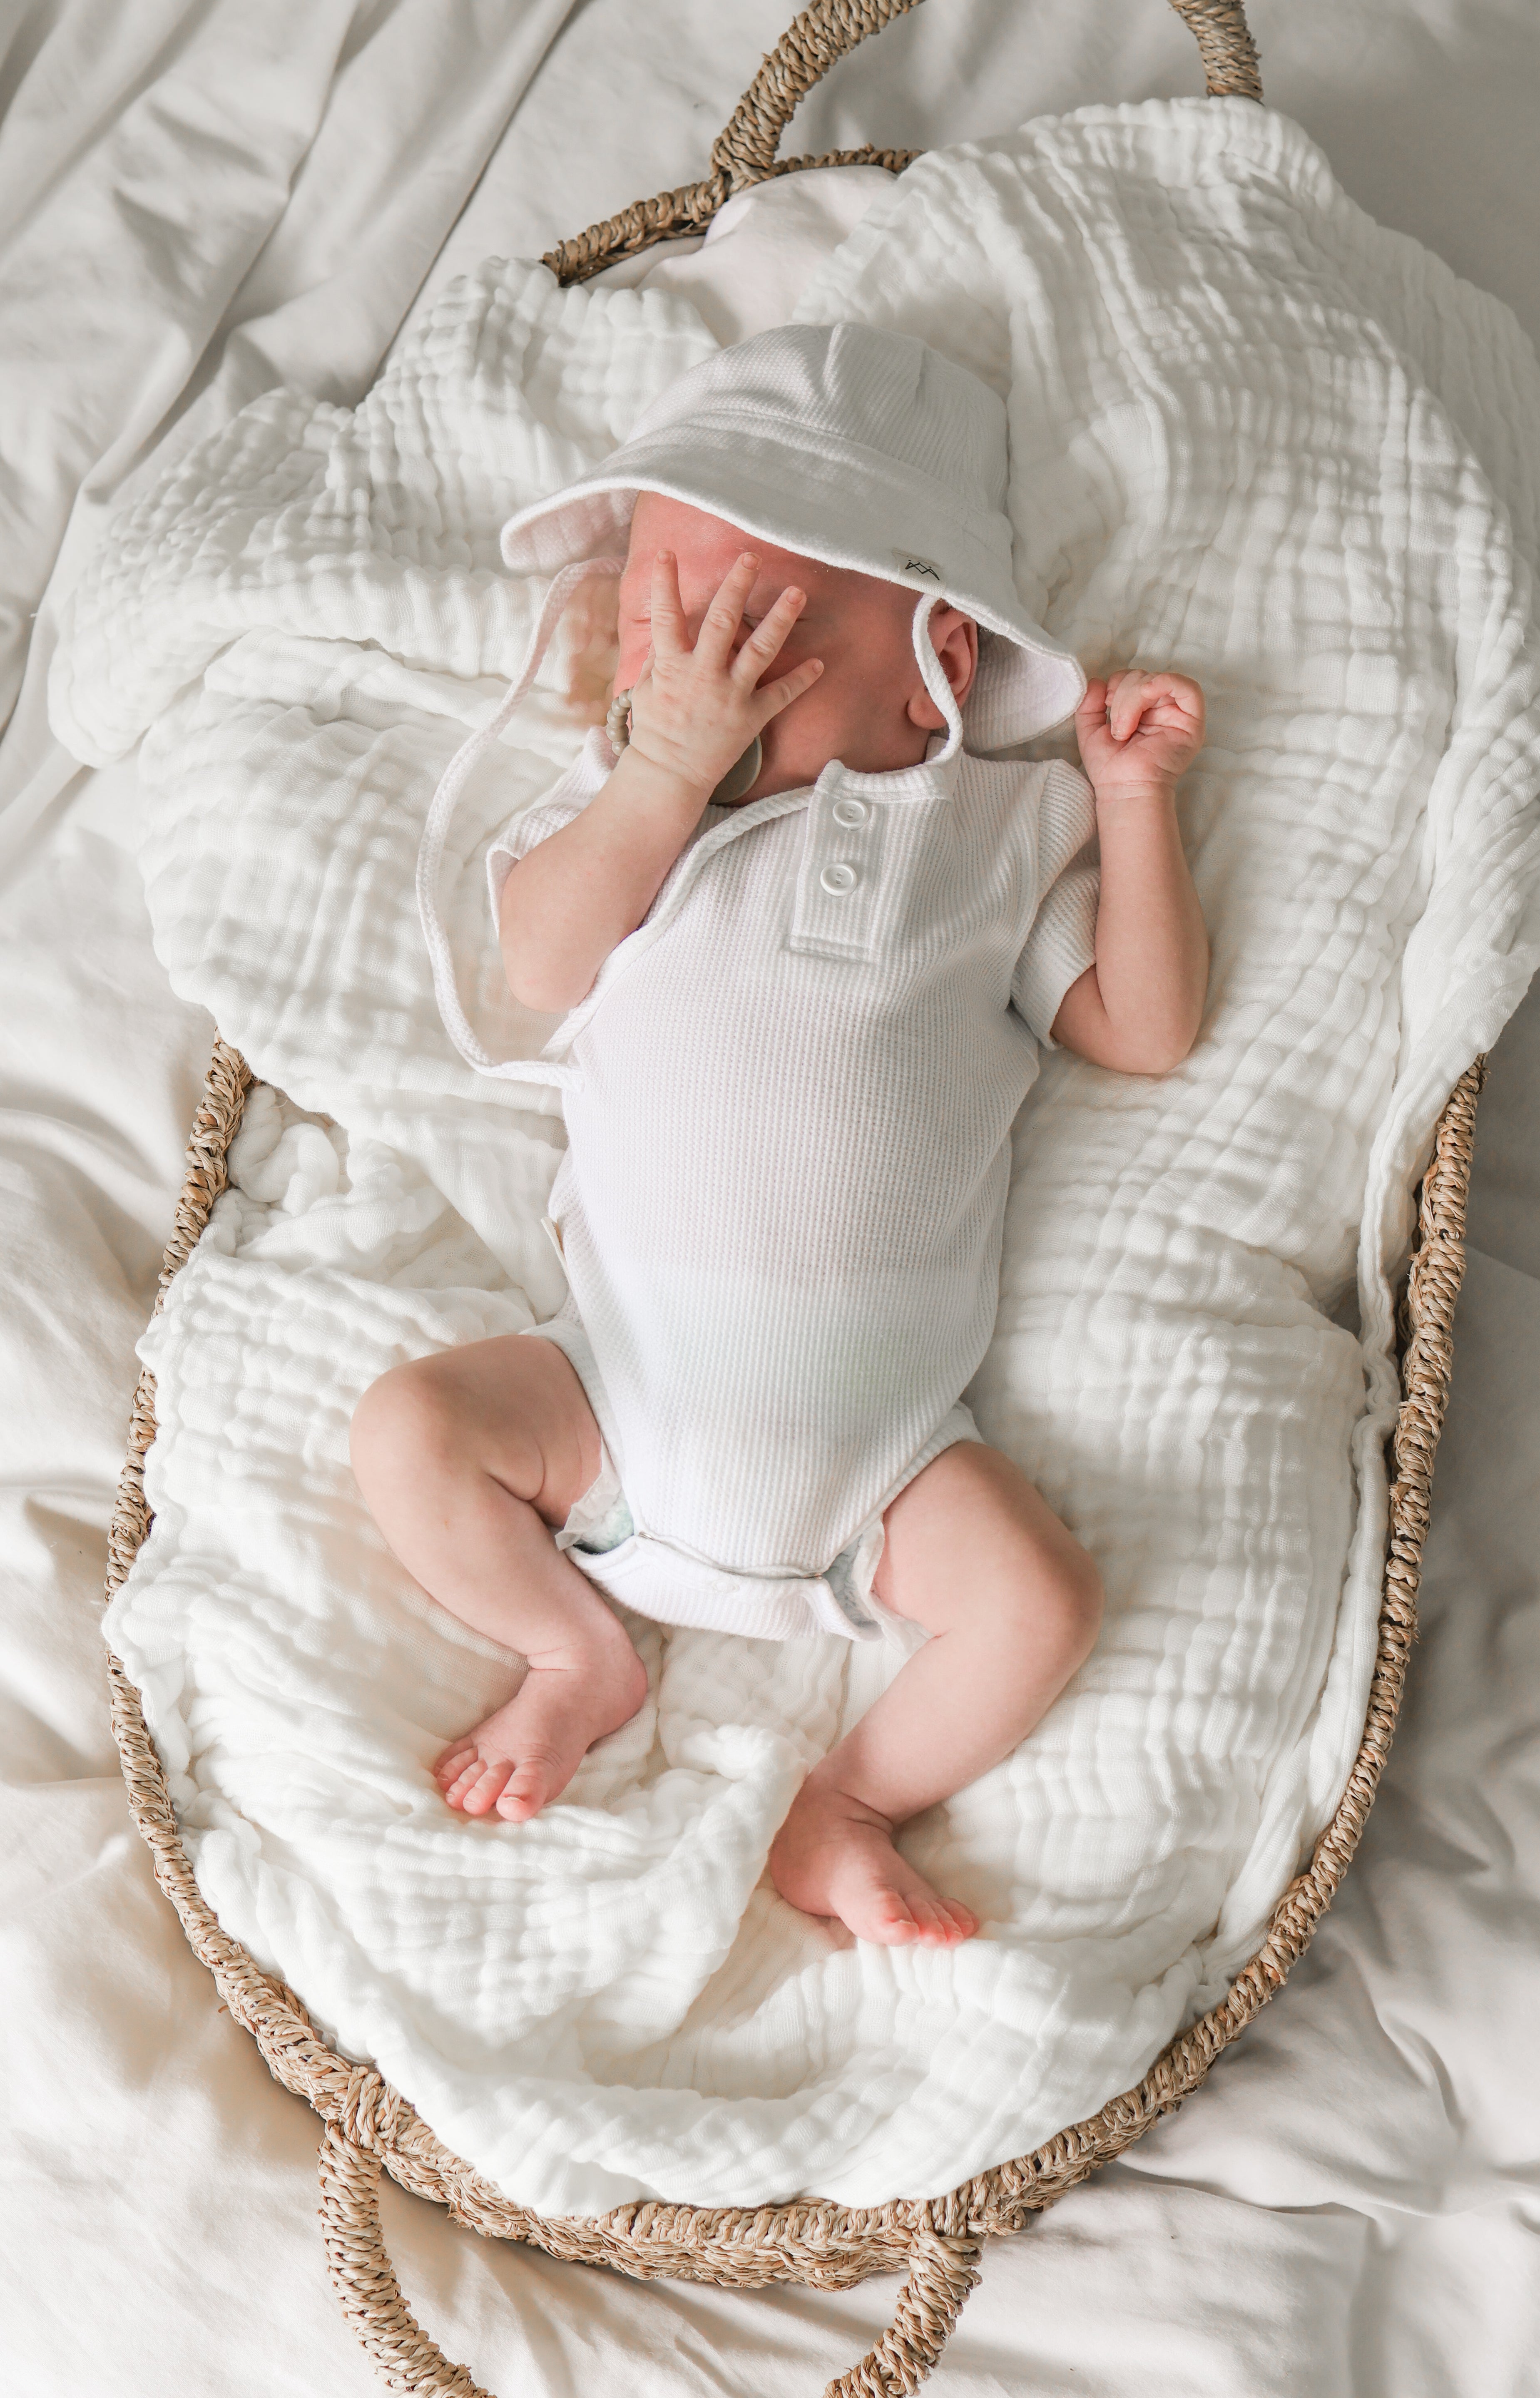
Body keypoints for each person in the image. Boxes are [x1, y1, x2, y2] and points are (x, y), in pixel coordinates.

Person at [354, 323, 1209, 1948]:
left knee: (1041, 1604)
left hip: (880, 1468)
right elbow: (542, 967)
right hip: (605, 1407)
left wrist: (1130, 805)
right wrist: (663, 773)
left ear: (937, 661)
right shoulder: (633, 829)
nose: (674, 660)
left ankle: (849, 1804)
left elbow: (1146, 1028)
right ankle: (572, 1657)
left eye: (744, 621)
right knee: (409, 1429)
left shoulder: (998, 838)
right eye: (653, 613)